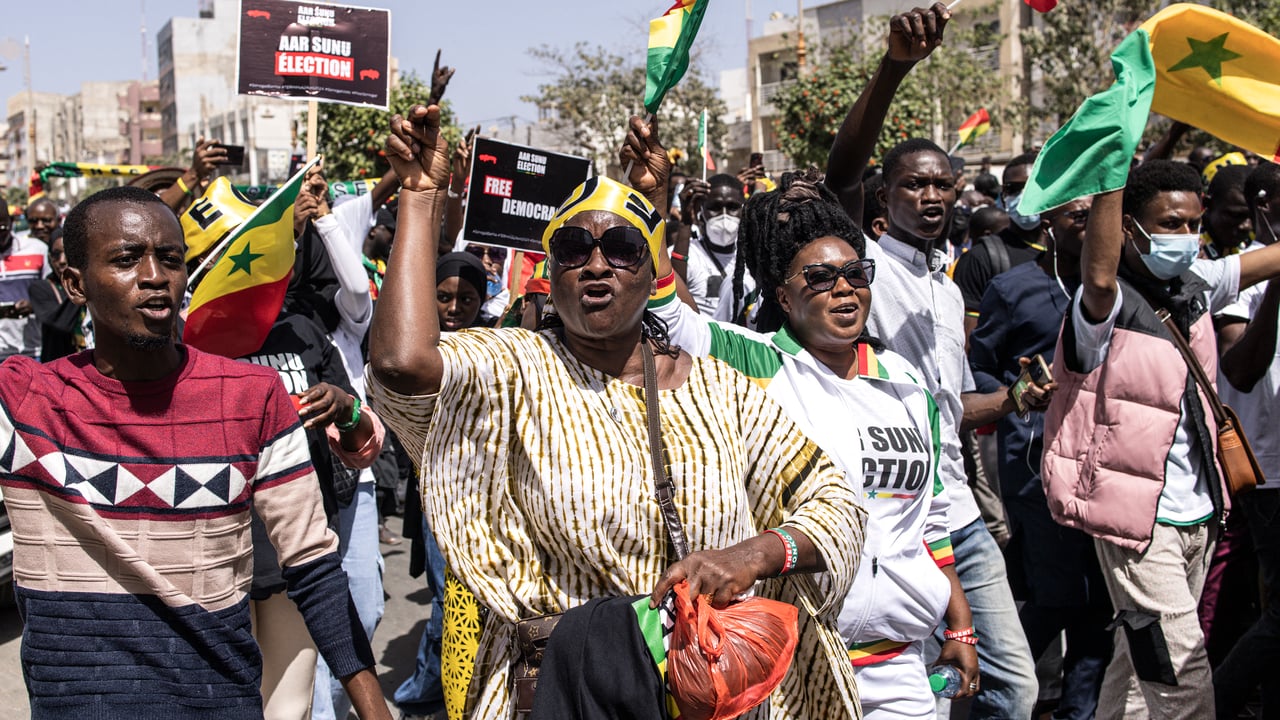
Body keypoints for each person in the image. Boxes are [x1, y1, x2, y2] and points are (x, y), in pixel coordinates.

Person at [367, 104, 866, 719]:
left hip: (705, 692)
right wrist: (420, 196)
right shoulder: (516, 369)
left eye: (624, 249)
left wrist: (755, 555)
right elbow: (401, 364)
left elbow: (835, 501)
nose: (597, 264)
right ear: (552, 272)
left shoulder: (721, 390)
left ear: (653, 274)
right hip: (566, 692)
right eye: (574, 248)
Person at [0, 186, 391, 720]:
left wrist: (374, 710)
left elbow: (314, 567)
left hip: (219, 704)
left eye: (170, 258)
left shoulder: (253, 398)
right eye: (126, 259)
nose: (154, 276)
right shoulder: (24, 402)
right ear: (75, 284)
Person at [649, 165, 980, 718]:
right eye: (821, 278)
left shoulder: (905, 383)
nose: (843, 287)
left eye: (855, 273)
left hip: (900, 663)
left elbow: (929, 521)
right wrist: (655, 202)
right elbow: (666, 315)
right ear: (783, 295)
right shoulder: (755, 361)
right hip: (794, 665)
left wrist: (961, 626)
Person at [823, 4, 1039, 717]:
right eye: (914, 184)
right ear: (882, 201)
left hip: (960, 514)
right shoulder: (865, 266)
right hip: (893, 520)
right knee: (922, 694)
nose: (932, 195)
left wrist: (1013, 400)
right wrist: (895, 67)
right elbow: (842, 168)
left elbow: (949, 409)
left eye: (943, 184)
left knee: (1013, 687)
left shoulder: (948, 289)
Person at [1042, 159, 1280, 719]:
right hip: (1137, 527)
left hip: (1199, 515)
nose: (1186, 238)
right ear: (1128, 228)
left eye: (1193, 224)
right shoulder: (1104, 308)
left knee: (1137, 668)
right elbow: (1099, 277)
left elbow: (1268, 259)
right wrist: (1112, 173)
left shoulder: (1195, 286)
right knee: (1182, 678)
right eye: (1170, 224)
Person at [967, 198, 1113, 720]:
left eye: (1097, 215)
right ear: (1049, 223)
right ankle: (998, 692)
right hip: (1036, 466)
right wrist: (1018, 394)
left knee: (1100, 605)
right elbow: (978, 368)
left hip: (1107, 467)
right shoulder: (1013, 289)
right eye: (1078, 216)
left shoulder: (1117, 290)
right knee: (1056, 596)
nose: (1090, 226)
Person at [394, 251, 488, 720]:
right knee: (447, 600)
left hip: (484, 497)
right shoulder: (415, 347)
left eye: (466, 299)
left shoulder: (495, 346)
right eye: (443, 297)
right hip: (436, 494)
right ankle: (424, 693)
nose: (454, 308)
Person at [1205, 161, 1280, 719]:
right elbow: (1241, 369)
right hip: (1270, 472)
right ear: (1265, 209)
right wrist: (1275, 280)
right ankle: (1210, 702)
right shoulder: (1242, 280)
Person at [954, 152, 1045, 339]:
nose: (1023, 196)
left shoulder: (1072, 253)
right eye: (1013, 189)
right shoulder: (981, 258)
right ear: (1003, 197)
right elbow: (969, 339)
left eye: (1032, 187)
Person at [672, 173, 747, 315]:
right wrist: (685, 222)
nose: (724, 215)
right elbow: (673, 295)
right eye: (715, 207)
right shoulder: (687, 254)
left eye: (733, 207)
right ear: (701, 212)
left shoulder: (752, 256)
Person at [28, 229, 89, 361]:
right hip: (58, 365)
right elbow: (61, 323)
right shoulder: (40, 288)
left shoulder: (94, 285)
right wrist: (81, 284)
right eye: (56, 255)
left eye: (68, 253)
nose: (62, 260)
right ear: (49, 258)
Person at [0, 202, 46, 360]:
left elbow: (55, 294)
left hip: (33, 350)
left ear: (11, 222)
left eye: (2, 228)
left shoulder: (37, 250)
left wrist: (34, 306)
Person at [1200, 165, 1253, 259]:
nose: (1247, 226)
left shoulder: (1253, 242)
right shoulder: (1190, 248)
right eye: (1236, 215)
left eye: (1254, 217)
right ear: (1208, 204)